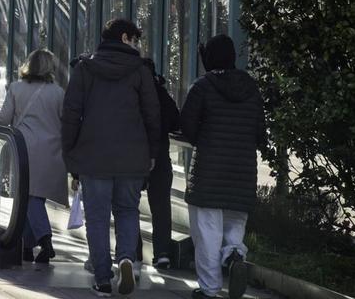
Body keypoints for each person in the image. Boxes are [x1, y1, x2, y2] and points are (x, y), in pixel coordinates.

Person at [61, 18, 160, 297]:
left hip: (93, 156)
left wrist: (69, 152)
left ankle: (103, 279)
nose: (137, 44)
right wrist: (152, 152)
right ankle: (127, 258)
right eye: (135, 38)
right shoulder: (140, 71)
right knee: (128, 211)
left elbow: (71, 114)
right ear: (125, 37)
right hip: (132, 157)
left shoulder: (84, 68)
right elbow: (152, 113)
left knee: (97, 217)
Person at [180, 35, 266, 299]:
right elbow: (261, 133)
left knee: (207, 231)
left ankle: (209, 288)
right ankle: (235, 255)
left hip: (209, 170)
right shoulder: (251, 88)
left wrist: (203, 141)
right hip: (241, 172)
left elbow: (188, 126)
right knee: (234, 224)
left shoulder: (203, 87)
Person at [0, 49, 67, 264]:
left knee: (28, 197)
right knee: (35, 198)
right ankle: (27, 248)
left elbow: (3, 118)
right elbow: (66, 123)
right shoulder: (58, 92)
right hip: (52, 153)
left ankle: (45, 240)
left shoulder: (16, 88)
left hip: (23, 150)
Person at [135, 58, 181, 271]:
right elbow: (176, 120)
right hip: (161, 156)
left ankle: (133, 251)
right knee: (161, 206)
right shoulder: (162, 94)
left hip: (133, 157)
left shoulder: (131, 93)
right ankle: (162, 253)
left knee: (128, 205)